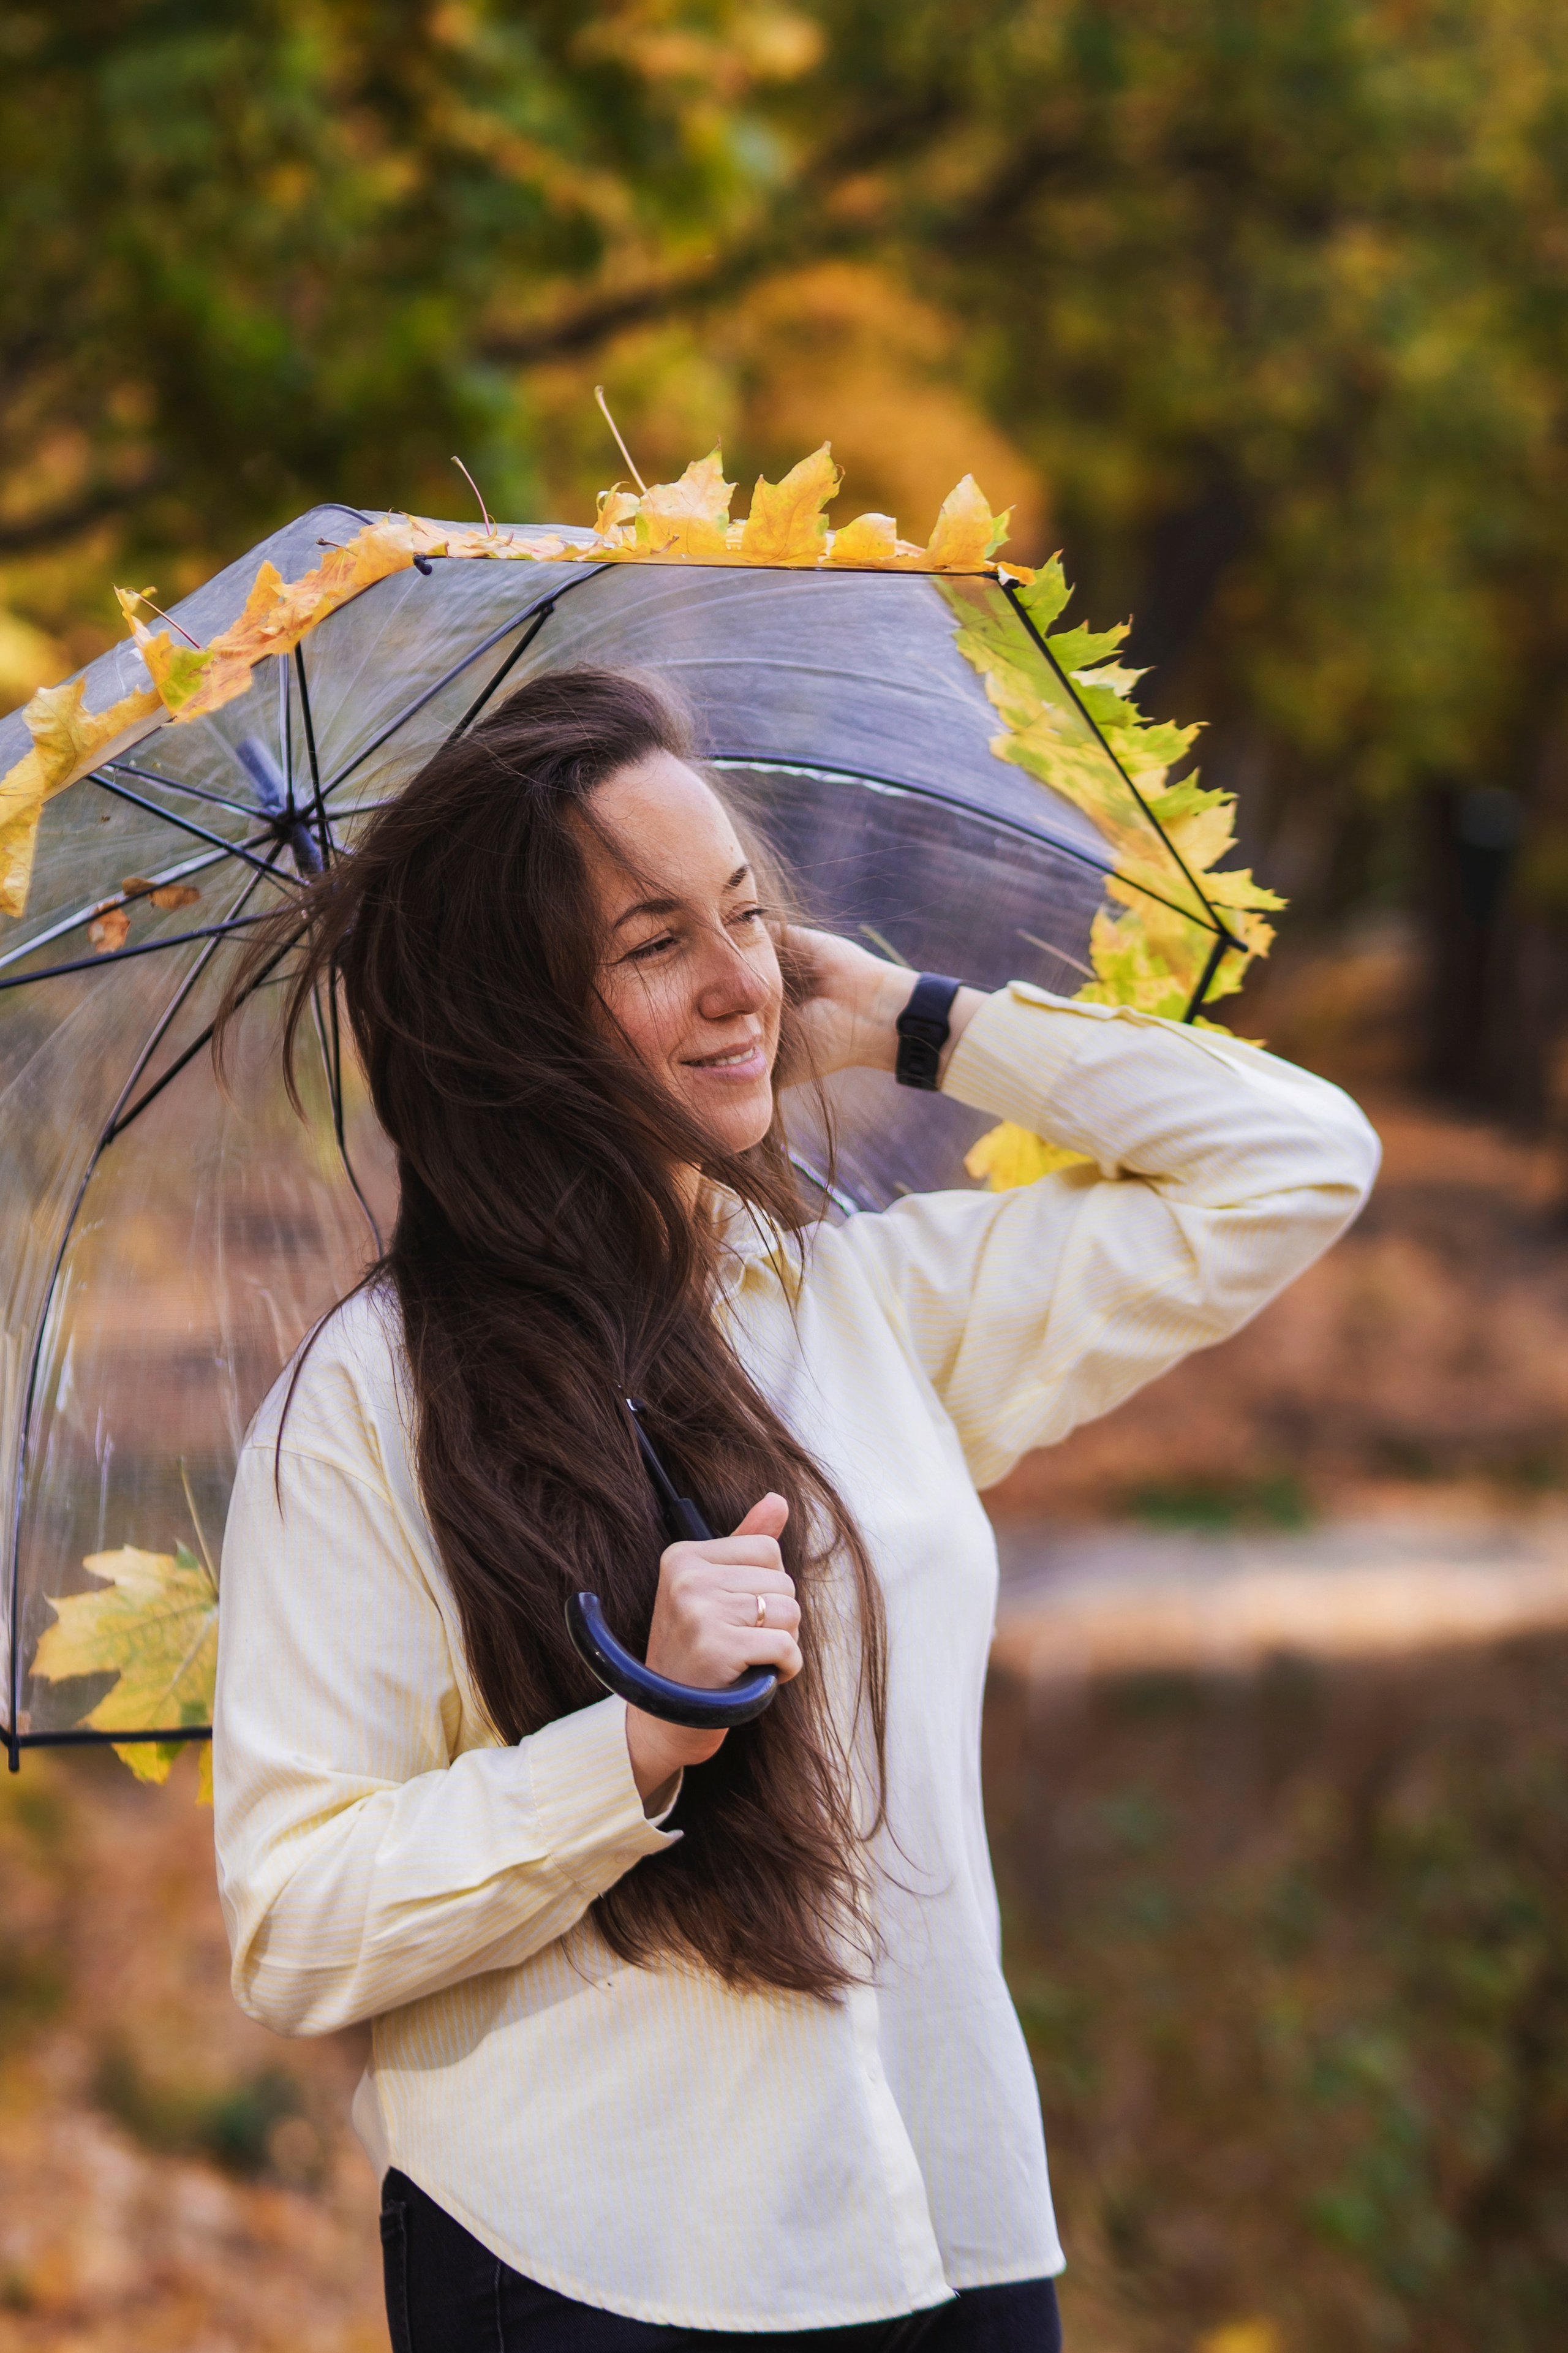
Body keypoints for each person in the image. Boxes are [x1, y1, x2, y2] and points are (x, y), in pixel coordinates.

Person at [212, 667, 1379, 2353]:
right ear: (515, 1015)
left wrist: (911, 1017)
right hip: (603, 2260)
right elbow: (293, 1918)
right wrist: (633, 1738)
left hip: (946, 2201)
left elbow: (1296, 1163)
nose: (738, 981)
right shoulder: (373, 1402)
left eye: (748, 917)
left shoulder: (853, 1308)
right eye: (651, 944)